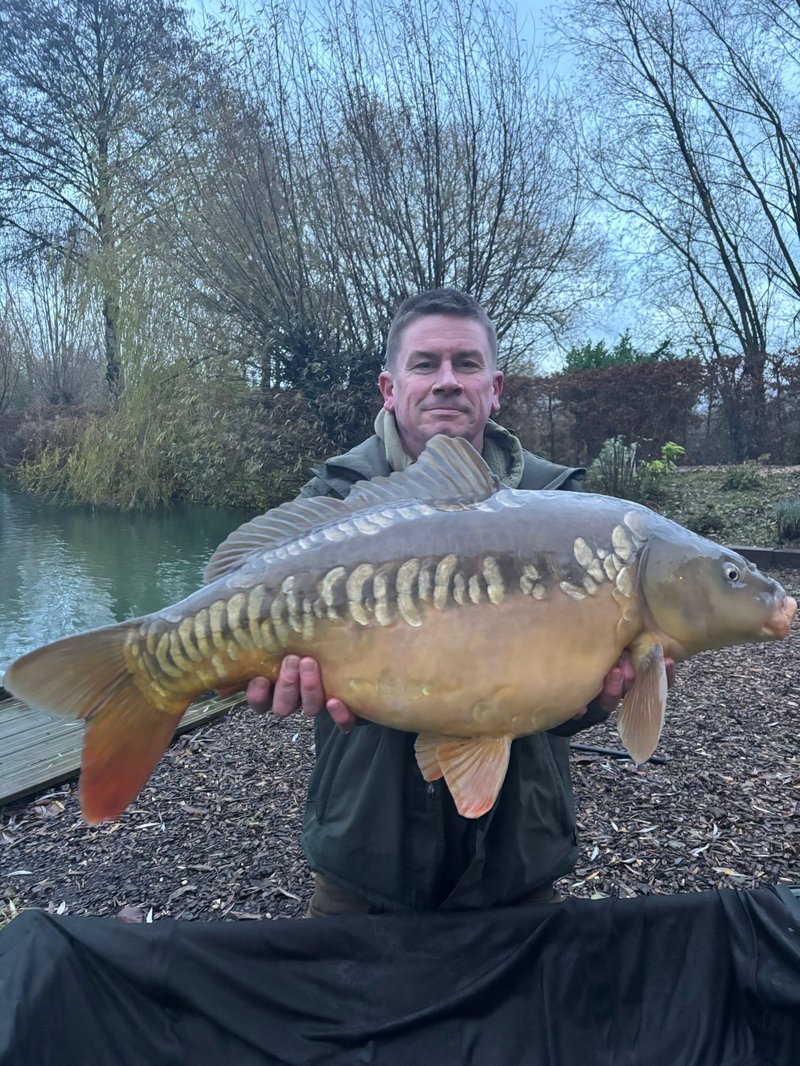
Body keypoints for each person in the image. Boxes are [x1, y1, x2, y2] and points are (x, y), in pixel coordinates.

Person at [247, 289, 667, 916]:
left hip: (517, 859)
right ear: (389, 389)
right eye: (425, 364)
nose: (447, 380)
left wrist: (598, 701)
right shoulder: (335, 500)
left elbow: (566, 702)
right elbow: (291, 677)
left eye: (466, 364)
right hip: (365, 857)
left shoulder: (562, 506)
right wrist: (273, 681)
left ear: (494, 388)